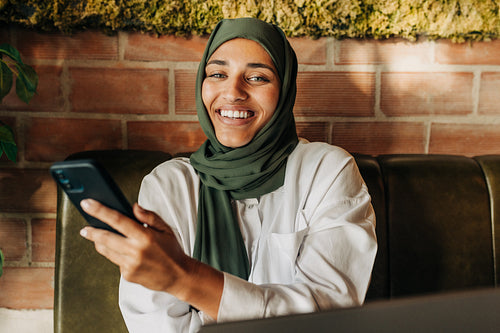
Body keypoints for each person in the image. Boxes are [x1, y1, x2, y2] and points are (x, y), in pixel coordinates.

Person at [79, 17, 377, 333]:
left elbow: (326, 315)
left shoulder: (326, 171)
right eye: (218, 74)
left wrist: (183, 277)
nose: (233, 92)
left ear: (285, 89)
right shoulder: (168, 185)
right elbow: (156, 326)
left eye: (258, 78)